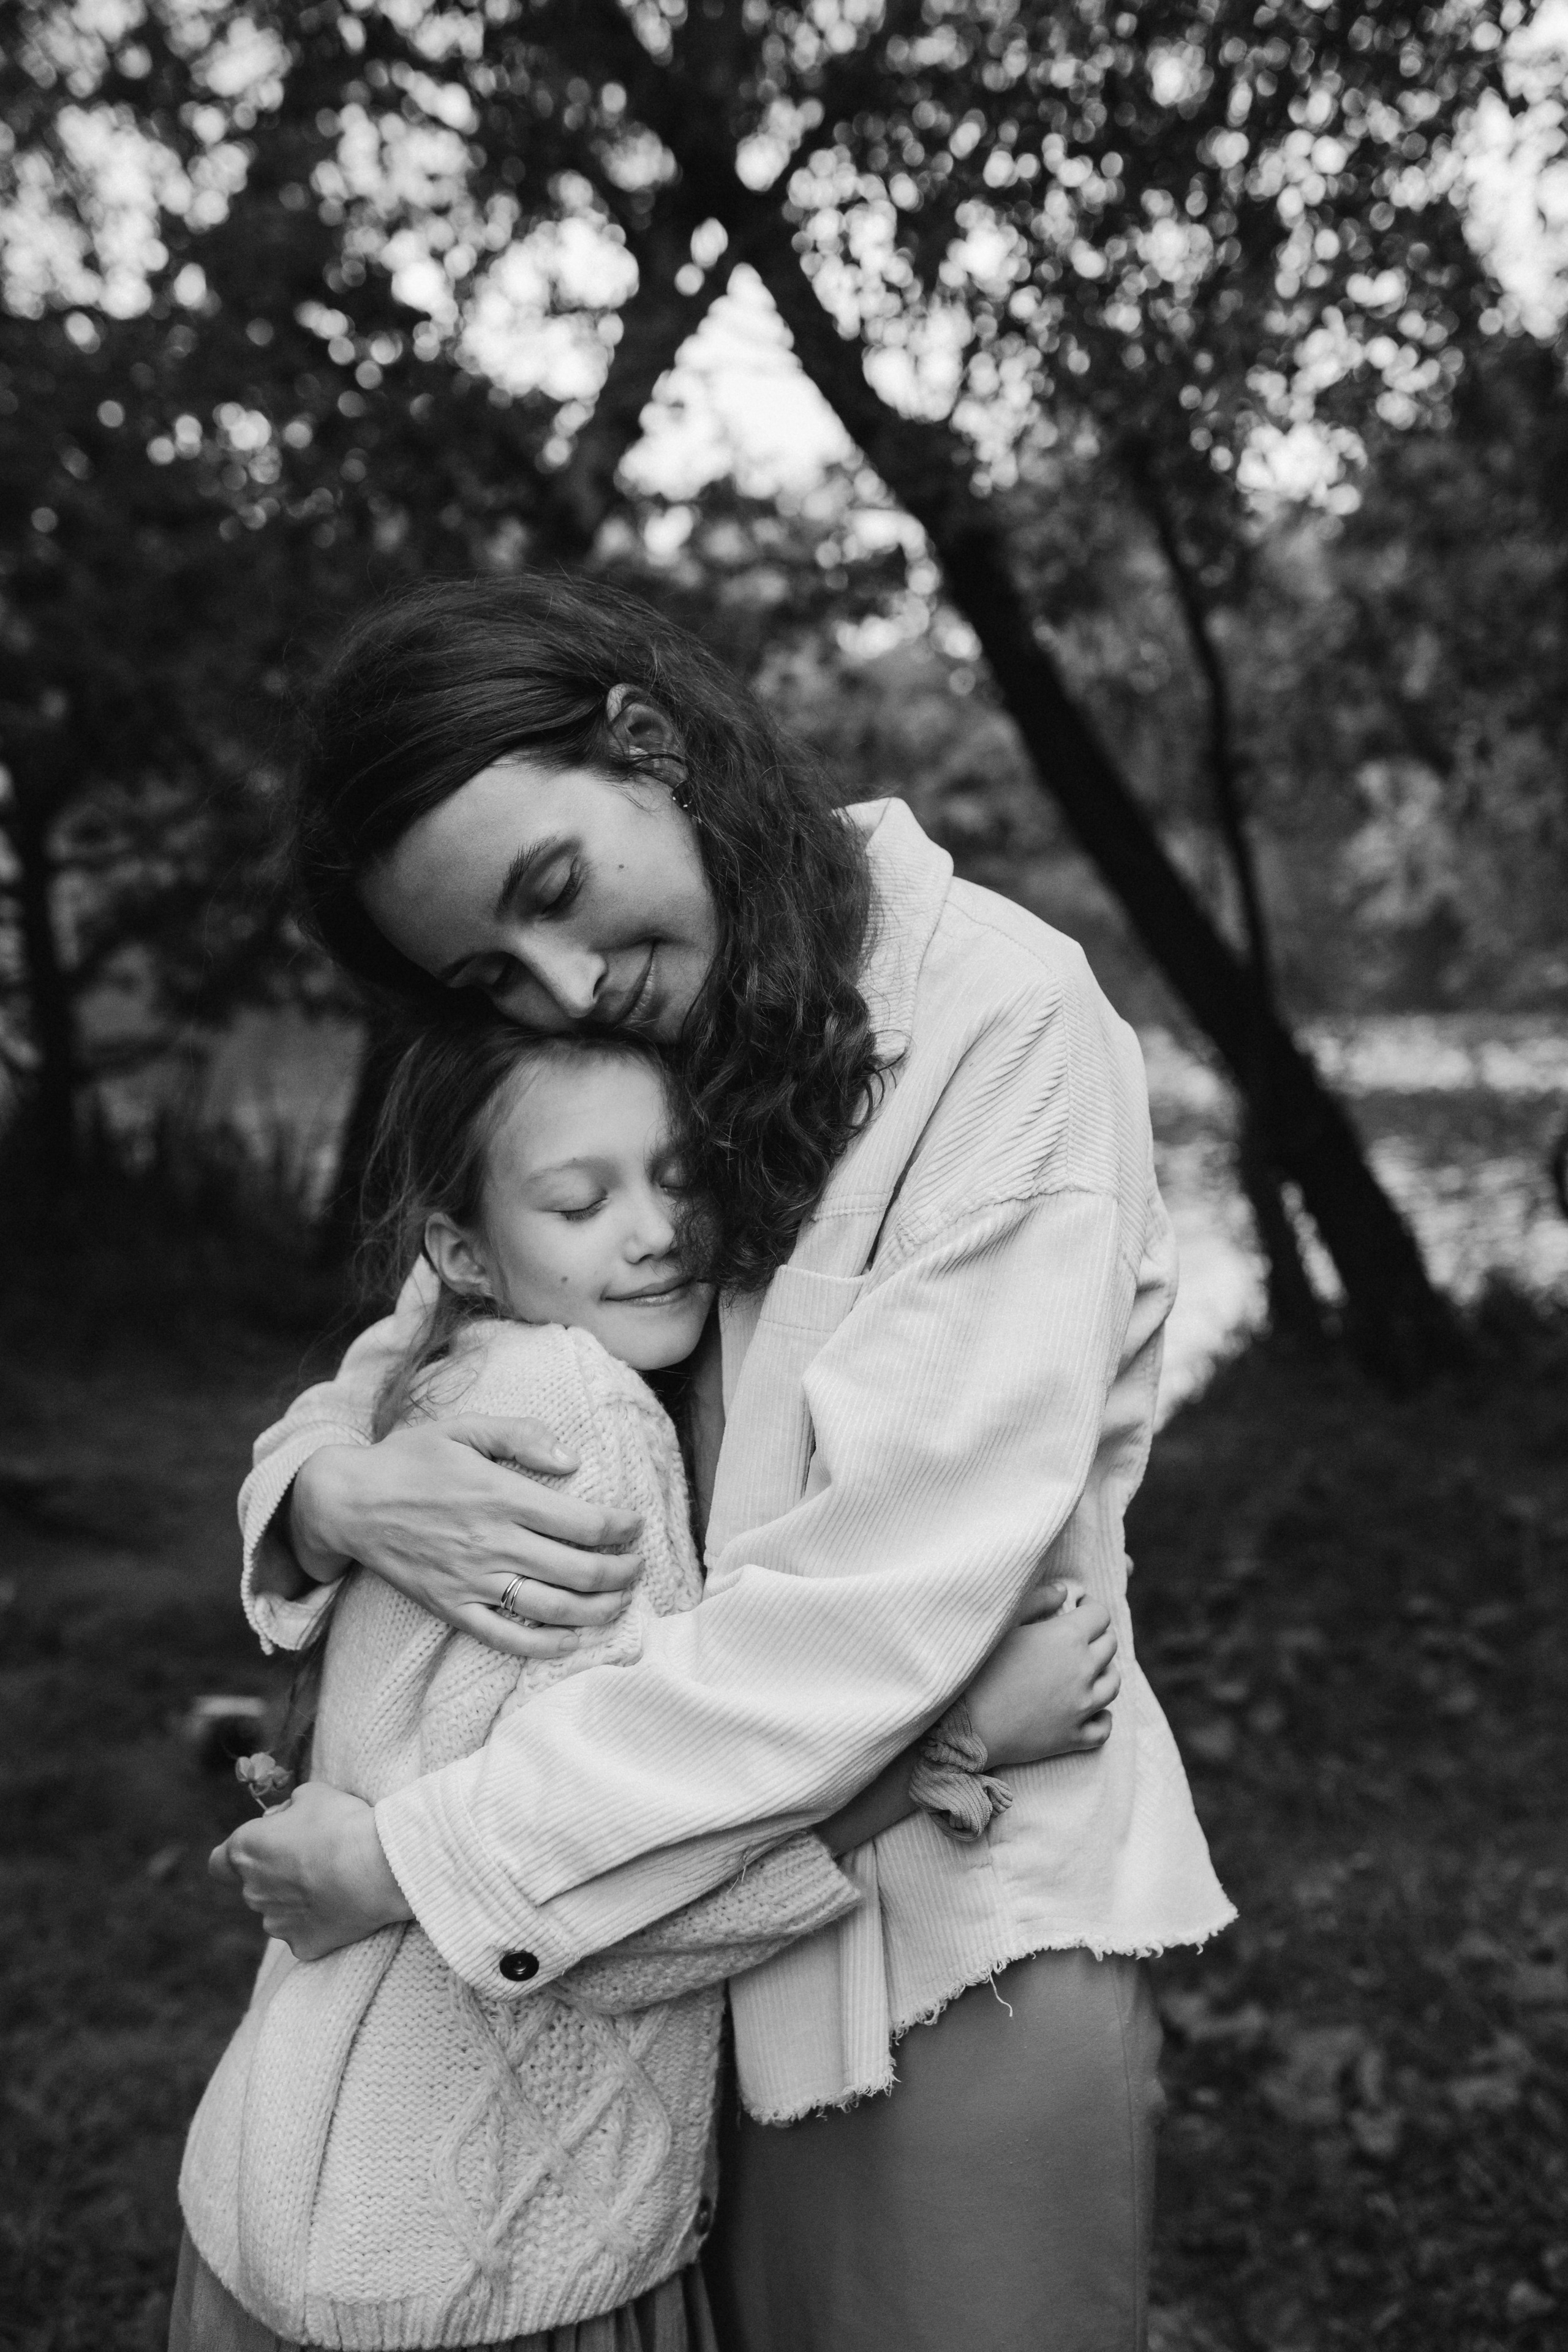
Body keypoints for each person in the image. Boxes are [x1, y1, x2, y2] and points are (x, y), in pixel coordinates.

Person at [216, 575, 1235, 2352]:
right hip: (642, 1964)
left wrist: (417, 1862)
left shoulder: (996, 1027)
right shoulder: (636, 1031)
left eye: (552, 890)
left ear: (650, 743)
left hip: (943, 1935)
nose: (560, 986)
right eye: (489, 976)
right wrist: (325, 1490)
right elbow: (419, 1339)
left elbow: (859, 1623)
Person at [184, 1020, 1121, 2352]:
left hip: (302, 2182)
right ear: (461, 1251)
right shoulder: (586, 1424)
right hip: (480, 2262)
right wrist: (950, 1744)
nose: (655, 1232)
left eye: (679, 1177)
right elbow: (608, 1918)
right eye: (580, 1203)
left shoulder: (460, 1364)